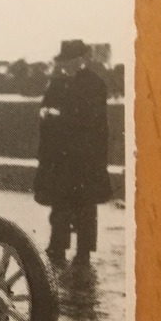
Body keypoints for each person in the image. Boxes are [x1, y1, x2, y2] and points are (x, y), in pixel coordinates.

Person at [34, 40, 112, 264]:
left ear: (80, 60)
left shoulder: (95, 84)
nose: (65, 66)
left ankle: (83, 252)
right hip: (62, 156)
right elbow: (47, 109)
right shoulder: (58, 83)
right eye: (64, 62)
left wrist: (58, 116)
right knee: (60, 203)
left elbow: (90, 119)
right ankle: (57, 246)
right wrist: (47, 114)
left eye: (69, 62)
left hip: (84, 157)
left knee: (85, 205)